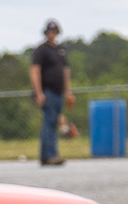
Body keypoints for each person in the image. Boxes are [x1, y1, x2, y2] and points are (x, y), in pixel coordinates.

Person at [29, 20, 75, 167]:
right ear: (46, 33)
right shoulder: (41, 50)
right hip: (47, 91)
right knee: (49, 122)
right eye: (49, 31)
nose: (52, 34)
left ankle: (45, 156)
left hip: (58, 92)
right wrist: (39, 93)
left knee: (54, 122)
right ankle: (50, 155)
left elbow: (65, 71)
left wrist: (68, 92)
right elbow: (35, 70)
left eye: (54, 31)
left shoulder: (61, 50)